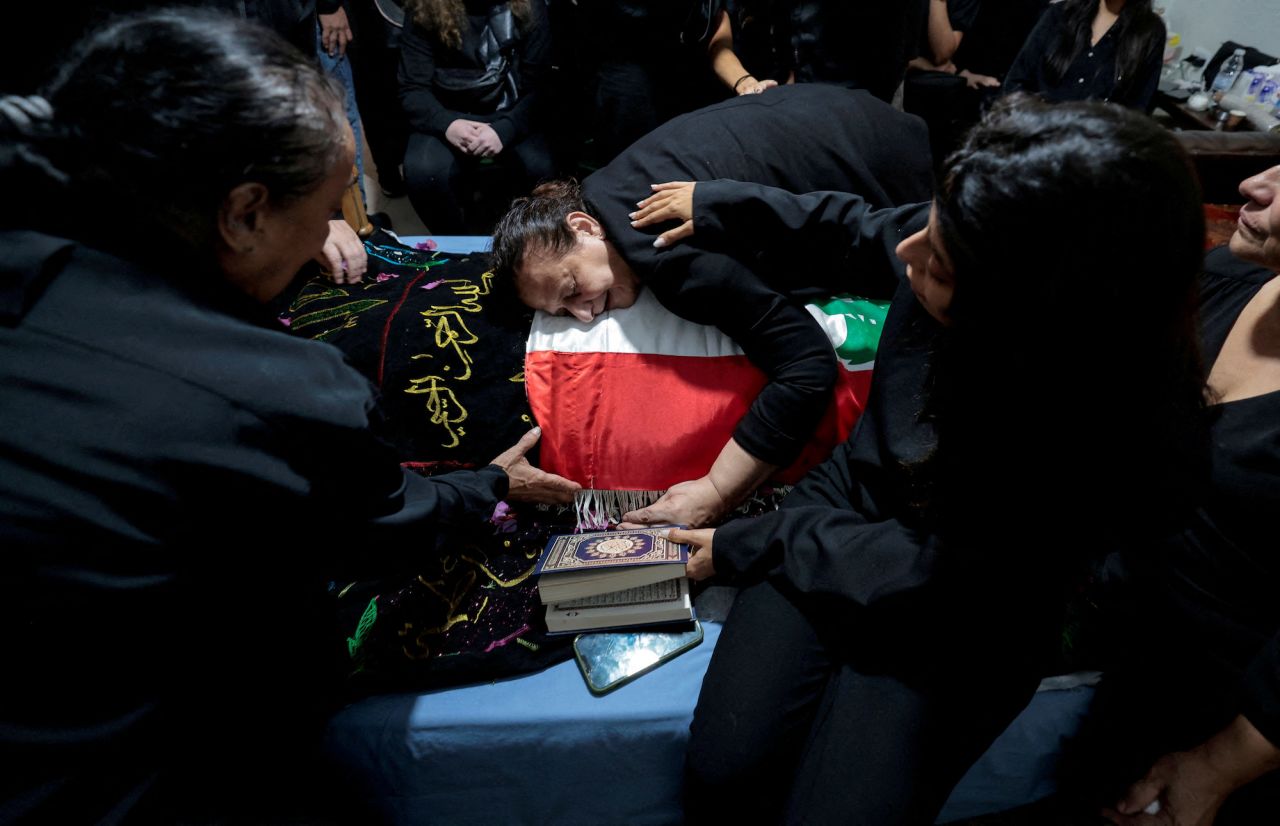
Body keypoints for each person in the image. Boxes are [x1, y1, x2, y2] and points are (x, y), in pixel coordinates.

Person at [0, 10, 577, 823]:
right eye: (331, 199)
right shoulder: (274, 391)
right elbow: (386, 522)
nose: (336, 226)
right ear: (243, 214)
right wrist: (492, 483)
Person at [634, 96, 1208, 822]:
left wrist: (746, 542)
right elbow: (858, 230)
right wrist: (722, 204)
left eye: (939, 263)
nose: (909, 256)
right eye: (930, 225)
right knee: (725, 766)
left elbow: (937, 573)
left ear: (1030, 319)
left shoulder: (1112, 443)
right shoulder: (965, 242)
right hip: (850, 510)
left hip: (964, 611)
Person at [489, 83, 934, 528]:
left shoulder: (667, 255)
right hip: (851, 110)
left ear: (584, 226)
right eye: (563, 312)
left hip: (897, 178)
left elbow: (807, 366)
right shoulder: (604, 187)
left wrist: (717, 490)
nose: (584, 314)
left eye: (571, 290)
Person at [1054, 164, 1280, 826]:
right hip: (1102, 631)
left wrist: (1219, 765)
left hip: (1201, 712)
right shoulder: (1230, 283)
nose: (1254, 185)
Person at [398, 0, 556, 233]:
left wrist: (506, 128)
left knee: (541, 168)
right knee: (423, 172)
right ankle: (457, 246)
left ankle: (526, 240)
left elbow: (540, 87)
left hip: (510, 108)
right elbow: (413, 88)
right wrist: (448, 124)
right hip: (448, 111)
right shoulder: (424, 8)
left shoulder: (530, 6)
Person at [1003, 0, 1164, 110]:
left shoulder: (1150, 33)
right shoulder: (1060, 14)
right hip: (1037, 136)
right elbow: (1016, 81)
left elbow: (1139, 108)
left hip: (1093, 149)